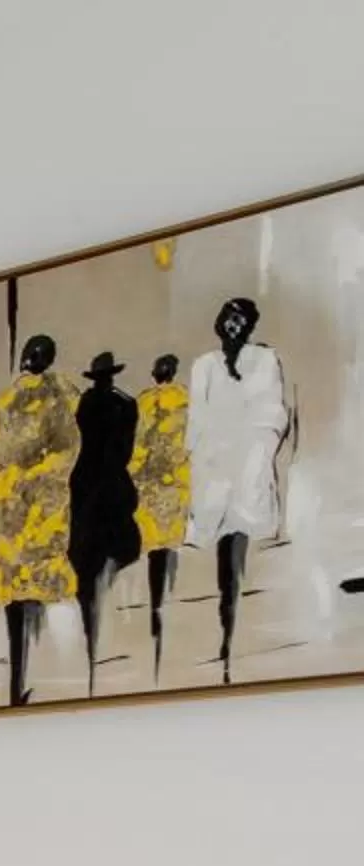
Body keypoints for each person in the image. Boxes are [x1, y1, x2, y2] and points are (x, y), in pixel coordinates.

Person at [185, 297, 297, 683]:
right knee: (223, 554)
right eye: (228, 319)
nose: (233, 326)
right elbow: (196, 420)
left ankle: (233, 637)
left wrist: (255, 454)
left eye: (240, 320)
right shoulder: (204, 365)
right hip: (215, 471)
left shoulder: (265, 361)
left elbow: (273, 414)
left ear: (248, 326)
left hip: (246, 467)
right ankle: (225, 631)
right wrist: (203, 459)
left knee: (238, 548)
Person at [0, 334, 78, 706]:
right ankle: (24, 678)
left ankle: (18, 680)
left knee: (19, 594)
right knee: (36, 593)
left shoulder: (3, 404)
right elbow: (66, 449)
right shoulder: (56, 397)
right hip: (34, 506)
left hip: (11, 505)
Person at [65, 351, 142, 694]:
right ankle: (99, 625)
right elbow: (126, 449)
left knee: (86, 557)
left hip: (88, 481)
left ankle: (90, 630)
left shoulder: (84, 403)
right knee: (111, 551)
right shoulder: (126, 404)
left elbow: (80, 443)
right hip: (111, 481)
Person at [130, 353, 189, 671]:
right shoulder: (184, 399)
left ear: (155, 373)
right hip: (175, 480)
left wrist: (134, 474)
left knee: (154, 544)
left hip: (152, 481)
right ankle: (164, 599)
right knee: (169, 543)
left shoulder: (144, 401)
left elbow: (138, 445)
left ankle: (156, 604)